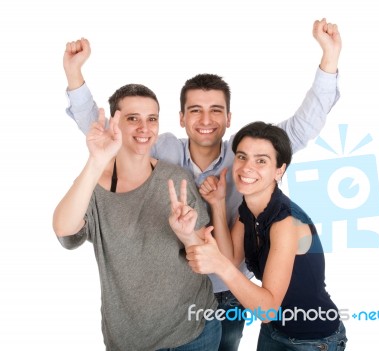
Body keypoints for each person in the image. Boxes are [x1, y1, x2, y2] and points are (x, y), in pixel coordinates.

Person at [62, 18, 342, 350]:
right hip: (175, 294)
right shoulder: (162, 149)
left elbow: (299, 128)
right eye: (195, 110)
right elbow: (109, 135)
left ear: (228, 118)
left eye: (215, 111)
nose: (206, 120)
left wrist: (329, 59)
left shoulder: (246, 153)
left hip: (230, 292)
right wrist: (75, 77)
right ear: (181, 118)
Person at [52, 84, 221, 350]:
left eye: (151, 119)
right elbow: (65, 233)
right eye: (133, 119)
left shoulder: (176, 179)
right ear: (115, 123)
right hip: (129, 341)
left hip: (194, 333)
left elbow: (204, 258)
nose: (145, 128)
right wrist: (97, 160)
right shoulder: (94, 185)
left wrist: (187, 234)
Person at [187, 121, 347, 350]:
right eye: (242, 157)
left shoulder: (285, 224)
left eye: (261, 160)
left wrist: (218, 263)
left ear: (279, 170)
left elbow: (267, 309)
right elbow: (232, 258)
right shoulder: (250, 208)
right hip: (274, 330)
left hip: (313, 340)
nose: (246, 167)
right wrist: (218, 202)